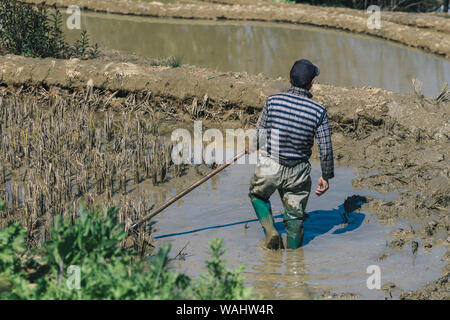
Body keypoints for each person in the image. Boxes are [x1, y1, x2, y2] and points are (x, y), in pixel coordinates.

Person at [248, 59, 334, 250]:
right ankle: (295, 265)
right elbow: (325, 149)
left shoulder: (273, 101)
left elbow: (260, 132)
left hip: (270, 164)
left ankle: (271, 231)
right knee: (294, 218)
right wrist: (326, 176)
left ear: (289, 79)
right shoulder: (318, 111)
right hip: (298, 171)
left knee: (258, 195)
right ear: (311, 83)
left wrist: (252, 145)